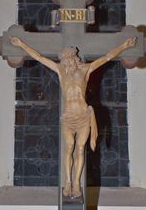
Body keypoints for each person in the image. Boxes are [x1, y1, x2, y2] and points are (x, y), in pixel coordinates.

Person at [10, 36, 136, 198]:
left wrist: (124, 46)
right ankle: (67, 182)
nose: (67, 65)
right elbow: (39, 58)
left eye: (69, 61)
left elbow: (107, 57)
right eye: (64, 62)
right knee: (69, 146)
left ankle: (76, 183)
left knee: (81, 149)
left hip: (83, 116)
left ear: (75, 60)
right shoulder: (61, 71)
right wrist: (21, 45)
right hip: (68, 118)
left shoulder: (86, 70)